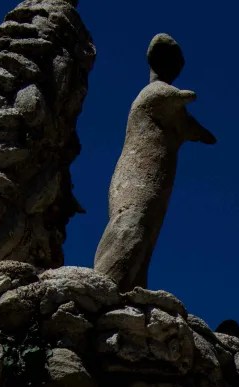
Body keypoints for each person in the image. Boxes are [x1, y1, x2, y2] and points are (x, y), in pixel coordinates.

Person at [93, 34, 216, 291]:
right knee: (132, 223)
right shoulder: (154, 93)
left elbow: (194, 129)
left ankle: (131, 288)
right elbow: (181, 99)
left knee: (147, 232)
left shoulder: (173, 108)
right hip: (137, 176)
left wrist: (200, 132)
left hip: (157, 178)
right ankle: (104, 286)